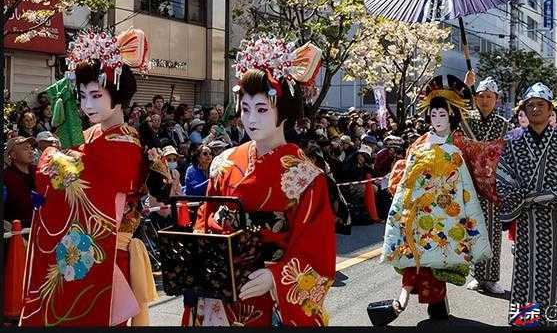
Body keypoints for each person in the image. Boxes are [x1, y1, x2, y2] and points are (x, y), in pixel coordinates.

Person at [182, 38, 335, 327]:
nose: (251, 118)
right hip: (220, 288)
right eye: (246, 108)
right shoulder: (223, 162)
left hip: (267, 289)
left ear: (283, 112)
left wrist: (277, 277)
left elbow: (317, 247)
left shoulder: (305, 176)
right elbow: (203, 220)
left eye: (262, 109)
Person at [20, 29, 161, 327]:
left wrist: (49, 157)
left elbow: (72, 175)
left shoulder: (125, 143)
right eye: (83, 96)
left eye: (97, 95)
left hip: (110, 255)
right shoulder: (92, 135)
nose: (87, 105)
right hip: (99, 250)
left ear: (119, 97)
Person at [369, 75, 491, 326]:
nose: (437, 120)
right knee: (418, 256)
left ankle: (433, 303)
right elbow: (407, 170)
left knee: (440, 257)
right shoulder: (421, 142)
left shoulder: (460, 142)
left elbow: (476, 163)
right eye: (434, 115)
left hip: (450, 210)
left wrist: (469, 89)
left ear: (452, 117)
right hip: (420, 208)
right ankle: (421, 303)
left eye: (443, 115)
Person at [496, 83, 557, 327]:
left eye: (541, 104)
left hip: (555, 220)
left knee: (554, 269)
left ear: (551, 110)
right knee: (525, 270)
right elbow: (503, 179)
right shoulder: (513, 142)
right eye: (530, 105)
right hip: (526, 220)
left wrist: (556, 196)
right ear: (524, 111)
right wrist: (524, 197)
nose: (535, 108)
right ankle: (525, 320)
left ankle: (552, 319)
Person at [462, 76, 510, 295]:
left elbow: (508, 155)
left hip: (492, 186)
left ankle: (490, 278)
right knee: (472, 231)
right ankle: (476, 275)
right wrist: (465, 85)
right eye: (480, 96)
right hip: (469, 183)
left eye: (489, 96)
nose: (484, 100)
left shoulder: (503, 124)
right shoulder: (466, 119)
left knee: (492, 233)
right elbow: (451, 115)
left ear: (496, 99)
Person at [3, 136, 37, 227]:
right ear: (13, 155)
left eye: (31, 148)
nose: (31, 152)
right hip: (20, 231)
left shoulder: (38, 171)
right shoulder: (6, 177)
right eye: (26, 149)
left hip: (43, 225)